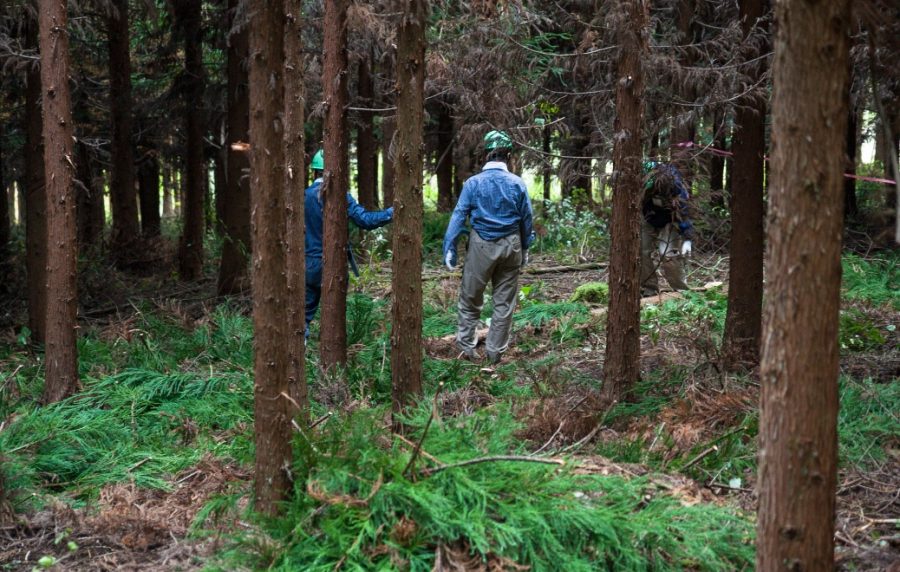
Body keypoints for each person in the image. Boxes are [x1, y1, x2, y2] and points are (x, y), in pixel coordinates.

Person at [442, 130, 534, 364]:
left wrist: (449, 247)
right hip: (511, 245)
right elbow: (527, 219)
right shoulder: (517, 184)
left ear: (485, 154)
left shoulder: (473, 184)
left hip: (481, 245)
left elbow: (458, 215)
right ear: (508, 156)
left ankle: (466, 349)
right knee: (504, 303)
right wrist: (524, 248)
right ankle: (495, 354)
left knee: (471, 298)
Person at [304, 149, 393, 335]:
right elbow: (365, 221)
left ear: (314, 172)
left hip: (308, 263)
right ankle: (331, 357)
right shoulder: (341, 196)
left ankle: (298, 353)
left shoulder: (303, 197)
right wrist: (391, 213)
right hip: (334, 264)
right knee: (333, 316)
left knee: (303, 316)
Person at [640, 161, 694, 296]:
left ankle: (681, 290)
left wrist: (687, 237)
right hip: (649, 218)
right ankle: (649, 288)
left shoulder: (674, 183)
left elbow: (683, 209)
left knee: (667, 254)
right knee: (641, 250)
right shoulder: (640, 177)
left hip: (671, 220)